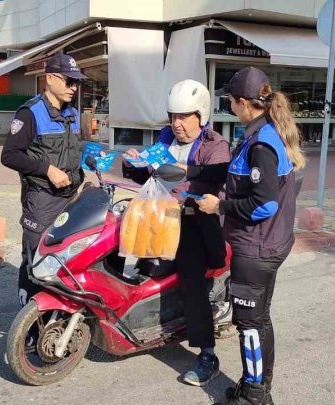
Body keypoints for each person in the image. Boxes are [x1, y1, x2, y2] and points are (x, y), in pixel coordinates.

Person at [193, 67, 306, 405]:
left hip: (257, 248)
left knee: (250, 324)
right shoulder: (264, 132)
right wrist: (190, 170)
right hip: (270, 243)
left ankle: (256, 396)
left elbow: (265, 203)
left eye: (230, 99)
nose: (228, 104)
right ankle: (254, 384)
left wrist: (220, 207)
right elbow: (235, 174)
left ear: (244, 102)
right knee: (259, 318)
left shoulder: (262, 144)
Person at [122, 79, 230, 387]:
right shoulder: (165, 138)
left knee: (191, 282)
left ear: (201, 115)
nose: (176, 123)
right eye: (173, 115)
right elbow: (149, 171)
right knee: (139, 263)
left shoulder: (214, 144)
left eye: (183, 116)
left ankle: (207, 354)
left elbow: (217, 174)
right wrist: (133, 163)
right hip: (160, 216)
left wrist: (185, 171)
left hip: (196, 223)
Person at [0, 53, 89, 307]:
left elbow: (72, 151)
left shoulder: (72, 113)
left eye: (77, 83)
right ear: (49, 78)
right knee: (35, 258)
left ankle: (56, 314)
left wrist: (90, 161)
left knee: (64, 256)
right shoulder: (30, 113)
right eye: (68, 81)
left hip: (70, 198)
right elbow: (9, 155)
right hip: (41, 199)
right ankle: (27, 322)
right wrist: (47, 170)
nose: (73, 88)